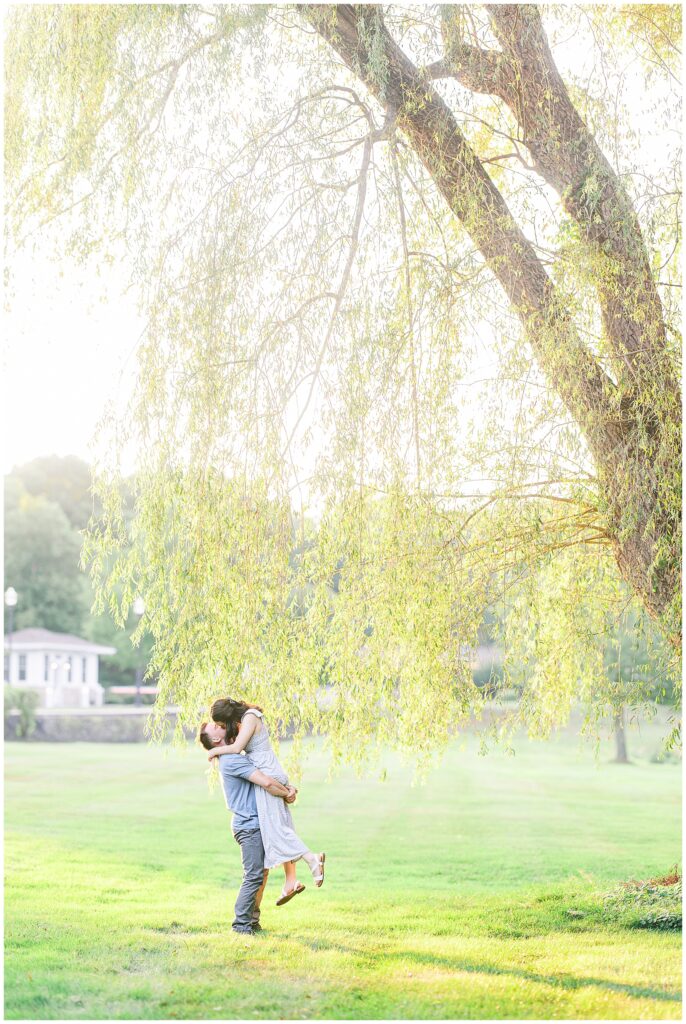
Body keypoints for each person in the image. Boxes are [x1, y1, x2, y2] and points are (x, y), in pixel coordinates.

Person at [207, 698, 325, 901]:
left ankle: (311, 858)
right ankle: (290, 881)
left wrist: (214, 751)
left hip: (266, 771)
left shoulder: (250, 717)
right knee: (279, 825)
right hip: (266, 769)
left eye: (220, 724)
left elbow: (236, 749)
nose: (221, 728)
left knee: (277, 828)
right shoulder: (246, 719)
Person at [198, 719, 297, 934]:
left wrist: (288, 788)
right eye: (215, 726)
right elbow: (267, 783)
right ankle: (241, 925)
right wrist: (286, 792)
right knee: (253, 875)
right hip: (249, 826)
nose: (220, 724)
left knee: (261, 874)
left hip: (255, 823)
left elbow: (270, 780)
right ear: (216, 739)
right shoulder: (232, 760)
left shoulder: (232, 757)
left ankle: (252, 920)